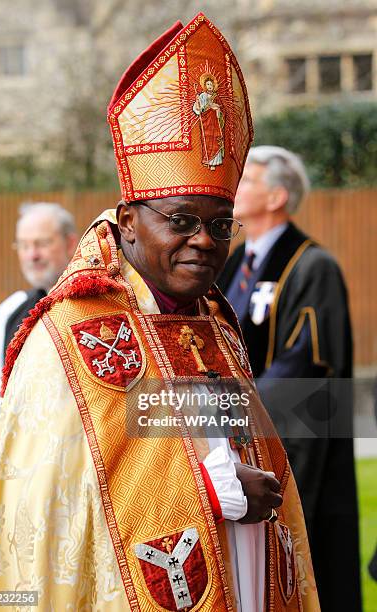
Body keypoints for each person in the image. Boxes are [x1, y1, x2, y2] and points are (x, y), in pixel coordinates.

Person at [0, 15, 320, 611]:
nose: (205, 241)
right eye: (181, 221)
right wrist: (214, 489)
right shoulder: (70, 335)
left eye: (218, 224)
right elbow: (53, 512)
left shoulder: (214, 322)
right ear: (129, 222)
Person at [218, 145, 361, 611]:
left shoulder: (313, 266)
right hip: (236, 438)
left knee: (300, 563)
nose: (236, 188)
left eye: (250, 180)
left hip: (297, 439)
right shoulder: (235, 263)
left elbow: (307, 364)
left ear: (278, 195)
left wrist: (240, 409)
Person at [0, 202, 78, 485]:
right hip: (26, 468)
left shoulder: (95, 304)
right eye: (24, 245)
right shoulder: (10, 313)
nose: (33, 255)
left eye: (42, 243)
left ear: (70, 243)